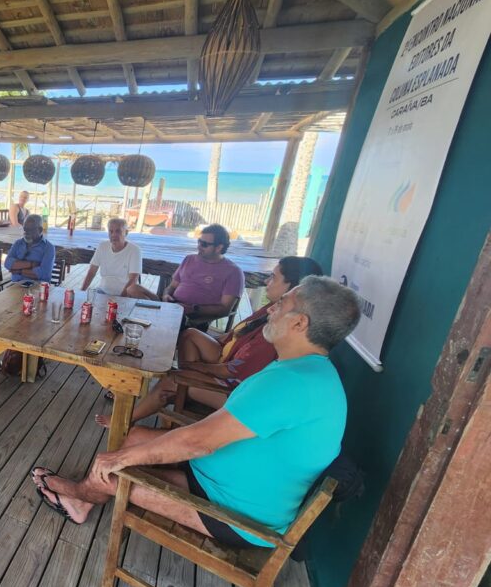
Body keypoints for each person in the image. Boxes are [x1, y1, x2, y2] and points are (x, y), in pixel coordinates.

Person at [31, 275, 361, 548]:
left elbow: (199, 442)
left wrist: (119, 460)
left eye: (282, 304)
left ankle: (78, 495)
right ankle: (86, 497)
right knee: (133, 437)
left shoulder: (292, 384)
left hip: (236, 515)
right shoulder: (306, 371)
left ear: (300, 323)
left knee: (114, 470)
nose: (270, 308)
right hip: (218, 479)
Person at [94, 255, 324, 427]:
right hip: (226, 357)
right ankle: (182, 386)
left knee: (169, 380)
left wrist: (193, 369)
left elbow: (234, 371)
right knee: (190, 336)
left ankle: (125, 420)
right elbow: (235, 336)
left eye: (274, 277)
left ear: (293, 287)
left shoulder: (279, 328)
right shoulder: (270, 309)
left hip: (233, 390)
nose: (267, 282)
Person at [154, 224, 245, 322]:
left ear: (219, 247)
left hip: (194, 317)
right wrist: (166, 295)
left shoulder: (233, 272)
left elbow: (225, 309)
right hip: (172, 307)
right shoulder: (189, 259)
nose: (199, 246)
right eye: (199, 242)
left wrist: (192, 309)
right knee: (137, 292)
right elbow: (172, 287)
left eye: (204, 244)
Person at [80, 218, 155, 299]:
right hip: (102, 291)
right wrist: (81, 292)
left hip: (125, 295)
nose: (113, 235)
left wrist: (120, 300)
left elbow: (133, 279)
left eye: (118, 231)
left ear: (126, 233)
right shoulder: (102, 246)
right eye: (111, 231)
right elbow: (91, 272)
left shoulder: (134, 250)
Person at [4, 214, 55, 283]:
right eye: (25, 229)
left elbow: (44, 273)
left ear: (40, 230)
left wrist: (19, 270)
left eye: (30, 230)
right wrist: (31, 264)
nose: (26, 233)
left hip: (38, 287)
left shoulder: (48, 248)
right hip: (16, 285)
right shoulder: (18, 243)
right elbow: (7, 263)